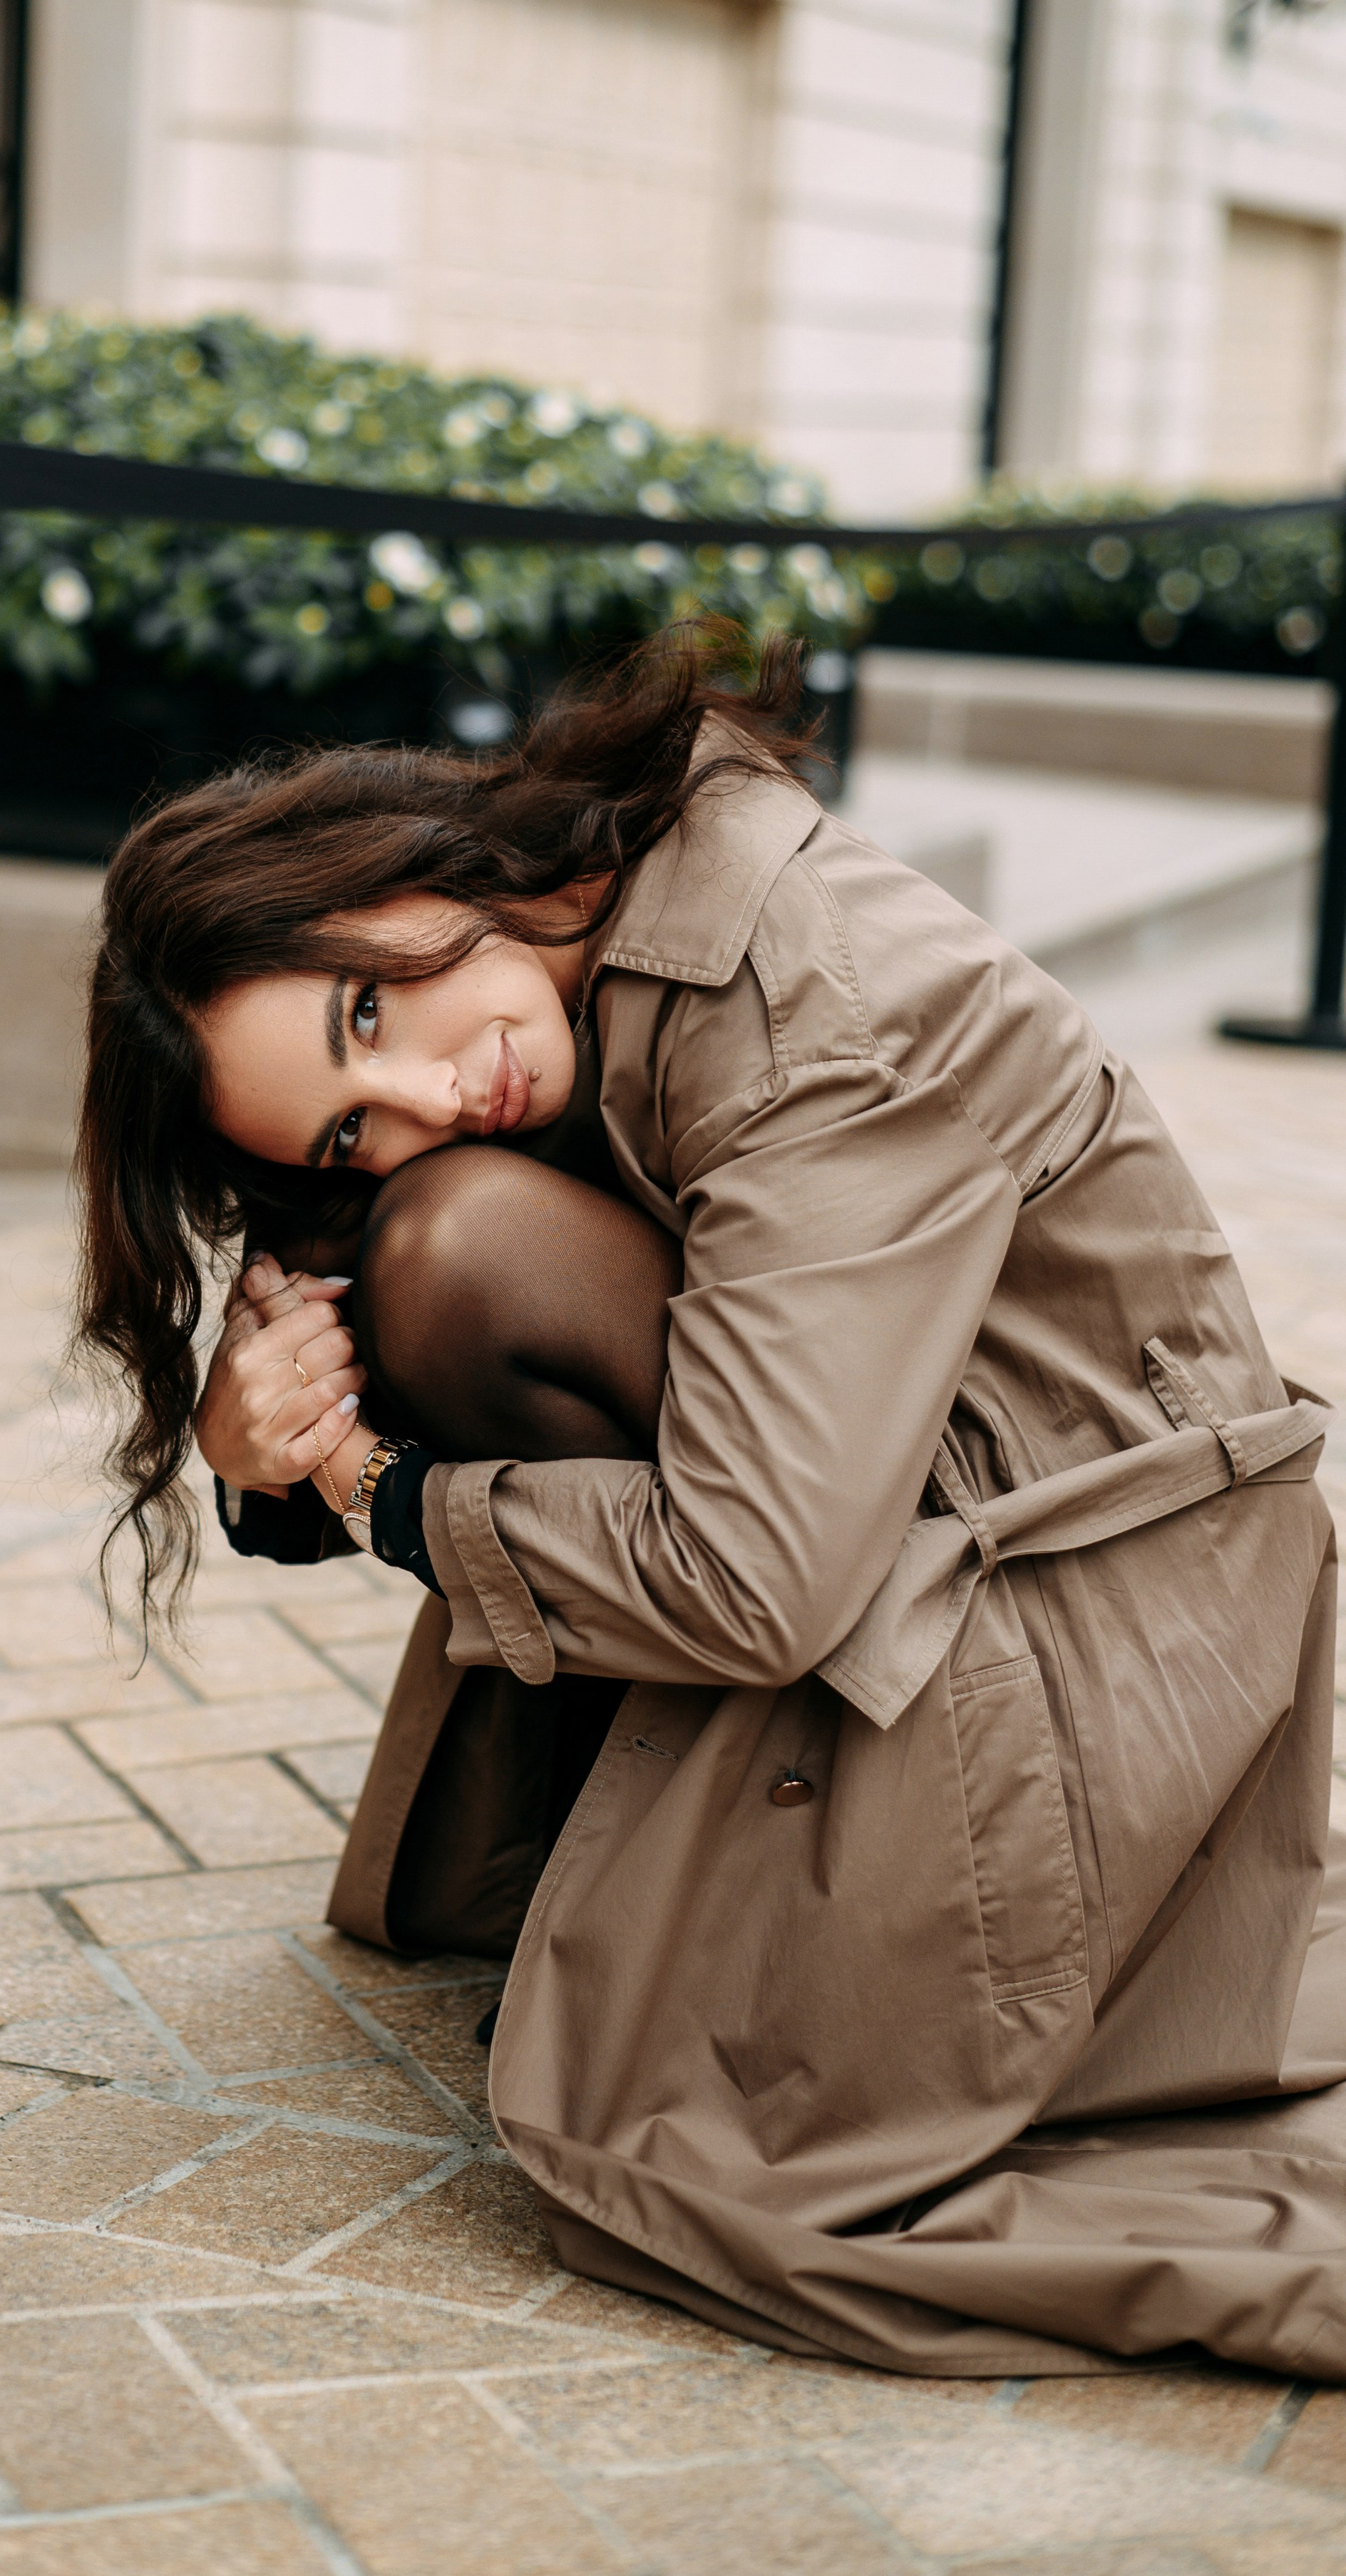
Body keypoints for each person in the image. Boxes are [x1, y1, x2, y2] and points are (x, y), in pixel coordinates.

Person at [74, 622, 1345, 2379]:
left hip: (1095, 1617)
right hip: (932, 1509)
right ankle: (681, 1838)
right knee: (437, 1235)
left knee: (455, 1244)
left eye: (365, 1012)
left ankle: (744, 1871)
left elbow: (757, 1578)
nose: (427, 1093)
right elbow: (388, 1286)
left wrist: (364, 1482)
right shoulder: (577, 920)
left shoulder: (796, 1001)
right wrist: (254, 1434)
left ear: (380, 862)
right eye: (347, 1128)